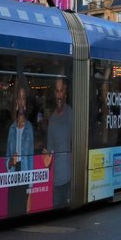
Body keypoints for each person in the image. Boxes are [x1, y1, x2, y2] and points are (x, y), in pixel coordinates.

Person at [6, 78, 34, 215]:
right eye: (19, 98)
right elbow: (7, 159)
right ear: (16, 102)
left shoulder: (30, 128)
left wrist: (30, 191)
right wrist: (11, 161)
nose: (21, 102)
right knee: (11, 212)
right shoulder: (11, 128)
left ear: (25, 103)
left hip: (24, 176)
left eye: (24, 98)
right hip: (12, 177)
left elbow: (31, 161)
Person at [44, 77, 73, 208]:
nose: (59, 95)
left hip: (71, 180)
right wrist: (46, 159)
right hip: (57, 182)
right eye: (57, 91)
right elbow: (50, 153)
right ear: (54, 94)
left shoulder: (71, 114)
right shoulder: (52, 120)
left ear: (65, 92)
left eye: (61, 91)